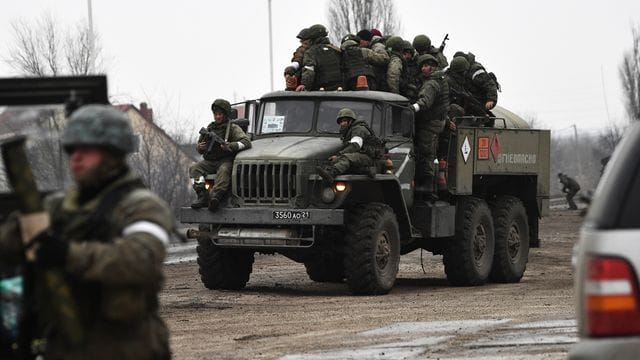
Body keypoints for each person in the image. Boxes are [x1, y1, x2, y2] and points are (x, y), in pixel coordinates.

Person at [0, 104, 173, 359]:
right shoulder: (56, 207)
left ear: (112, 153)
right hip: (62, 348)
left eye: (86, 150)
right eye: (72, 150)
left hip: (126, 348)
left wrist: (68, 254)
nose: (76, 158)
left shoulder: (141, 206)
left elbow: (141, 259)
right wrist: (14, 238)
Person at [189, 99, 251, 211]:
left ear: (225, 115)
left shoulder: (232, 128)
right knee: (194, 168)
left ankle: (215, 197)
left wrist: (230, 146)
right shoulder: (209, 129)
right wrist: (200, 147)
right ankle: (202, 195)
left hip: (225, 160)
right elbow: (200, 147)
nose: (217, 117)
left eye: (220, 114)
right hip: (210, 161)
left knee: (223, 171)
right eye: (215, 114)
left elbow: (246, 142)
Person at [411, 54, 450, 198]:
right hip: (438, 122)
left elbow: (425, 101)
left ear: (431, 66)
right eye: (422, 66)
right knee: (432, 154)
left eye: (425, 66)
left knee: (426, 154)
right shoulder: (442, 79)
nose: (423, 69)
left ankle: (426, 187)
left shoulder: (431, 83)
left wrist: (413, 108)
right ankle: (433, 187)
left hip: (429, 124)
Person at [316, 108, 383, 183]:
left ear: (350, 121)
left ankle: (332, 173)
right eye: (341, 122)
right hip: (360, 157)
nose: (342, 124)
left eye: (344, 121)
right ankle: (366, 170)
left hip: (368, 157)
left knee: (346, 158)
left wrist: (339, 155)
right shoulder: (349, 131)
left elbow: (355, 145)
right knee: (337, 161)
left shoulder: (359, 129)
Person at [296, 24, 343, 91]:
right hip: (339, 90)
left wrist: (304, 85)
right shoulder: (337, 50)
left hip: (320, 91)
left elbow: (309, 69)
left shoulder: (311, 51)